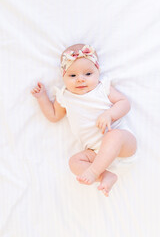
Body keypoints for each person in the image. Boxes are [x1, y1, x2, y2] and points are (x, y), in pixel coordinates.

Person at [31, 44, 137, 197]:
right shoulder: (65, 97)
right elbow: (54, 116)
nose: (80, 79)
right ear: (63, 77)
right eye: (72, 76)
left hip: (122, 143)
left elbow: (124, 103)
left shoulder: (102, 89)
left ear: (97, 72)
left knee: (113, 136)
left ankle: (94, 171)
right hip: (95, 152)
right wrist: (42, 98)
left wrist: (110, 115)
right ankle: (104, 175)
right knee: (74, 162)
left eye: (87, 73)